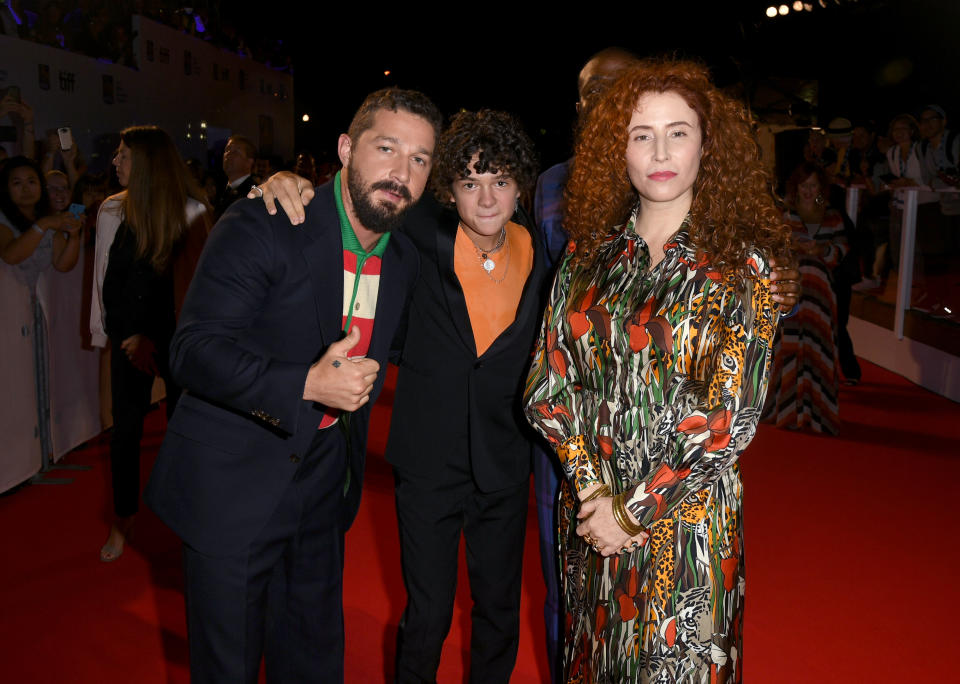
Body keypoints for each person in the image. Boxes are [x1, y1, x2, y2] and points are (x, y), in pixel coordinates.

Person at [144, 89, 440, 683]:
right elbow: (193, 350)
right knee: (227, 668)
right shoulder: (268, 218)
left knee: (312, 662)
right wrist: (305, 383)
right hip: (235, 487)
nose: (401, 173)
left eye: (419, 160)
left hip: (325, 489)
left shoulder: (404, 258)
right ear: (346, 149)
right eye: (387, 149)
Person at [532, 48, 801, 683]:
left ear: (707, 147)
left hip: (689, 533)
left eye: (677, 134)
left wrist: (631, 510)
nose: (659, 153)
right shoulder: (587, 258)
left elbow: (728, 420)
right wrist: (596, 493)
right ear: (615, 151)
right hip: (594, 530)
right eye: (641, 136)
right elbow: (547, 386)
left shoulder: (742, 267)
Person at [386, 110, 545, 683]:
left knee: (499, 610)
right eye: (471, 182)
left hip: (503, 461)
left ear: (520, 185)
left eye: (499, 181)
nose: (485, 198)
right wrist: (292, 182)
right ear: (449, 189)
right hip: (428, 461)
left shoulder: (539, 251)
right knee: (427, 613)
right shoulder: (417, 237)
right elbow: (359, 207)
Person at [90, 126, 210, 562]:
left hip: (177, 342)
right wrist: (122, 335)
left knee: (183, 432)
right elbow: (110, 284)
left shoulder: (193, 211)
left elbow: (198, 291)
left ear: (147, 163)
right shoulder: (113, 212)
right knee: (124, 433)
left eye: (123, 156)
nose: (116, 163)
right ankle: (123, 520)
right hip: (128, 342)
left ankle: (187, 520)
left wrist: (154, 337)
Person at [765, 162, 846, 434]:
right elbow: (769, 248)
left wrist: (823, 249)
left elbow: (842, 251)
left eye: (814, 185)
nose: (809, 191)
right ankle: (786, 410)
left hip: (821, 295)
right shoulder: (783, 214)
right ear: (795, 187)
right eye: (804, 185)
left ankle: (820, 415)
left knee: (820, 348)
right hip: (790, 292)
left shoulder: (832, 215)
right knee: (786, 348)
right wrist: (794, 249)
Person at [214, 134, 257, 219]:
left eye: (236, 152)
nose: (229, 154)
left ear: (249, 162)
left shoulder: (252, 193)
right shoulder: (219, 187)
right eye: (227, 150)